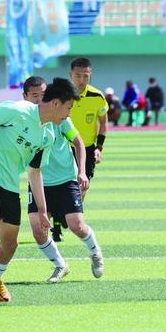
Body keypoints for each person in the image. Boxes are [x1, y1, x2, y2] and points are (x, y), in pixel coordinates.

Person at [0, 77, 79, 307]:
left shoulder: (48, 136)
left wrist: (42, 210)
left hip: (10, 186)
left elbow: (35, 172)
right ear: (56, 103)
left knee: (10, 244)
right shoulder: (17, 110)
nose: (69, 114)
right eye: (69, 107)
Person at [22, 77, 104, 283]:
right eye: (35, 96)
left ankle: (95, 253)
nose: (40, 99)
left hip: (65, 178)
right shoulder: (24, 120)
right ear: (25, 97)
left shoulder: (60, 118)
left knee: (77, 225)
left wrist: (82, 172)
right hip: (39, 180)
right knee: (38, 231)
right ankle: (60, 265)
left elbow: (78, 143)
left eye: (43, 95)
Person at [65, 57, 109, 239]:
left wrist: (99, 147)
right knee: (60, 184)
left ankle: (73, 214)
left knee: (83, 185)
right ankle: (63, 218)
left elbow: (103, 123)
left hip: (88, 148)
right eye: (78, 76)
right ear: (71, 75)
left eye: (86, 76)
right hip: (63, 147)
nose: (81, 80)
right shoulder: (62, 96)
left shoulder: (97, 97)